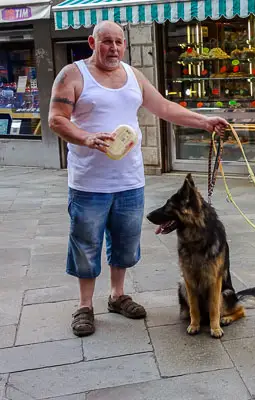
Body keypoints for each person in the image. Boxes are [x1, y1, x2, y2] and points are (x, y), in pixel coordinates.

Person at [48, 20, 228, 337]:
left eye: (119, 42)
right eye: (106, 42)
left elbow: (165, 107)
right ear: (92, 42)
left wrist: (204, 121)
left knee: (125, 244)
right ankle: (85, 306)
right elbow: (56, 119)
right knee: (85, 244)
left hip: (130, 181)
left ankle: (118, 296)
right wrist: (86, 138)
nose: (113, 48)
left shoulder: (133, 76)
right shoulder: (73, 75)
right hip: (89, 183)